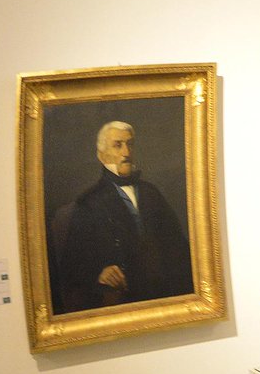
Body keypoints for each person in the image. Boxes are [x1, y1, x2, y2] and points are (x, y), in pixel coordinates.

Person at [52, 121, 193, 313]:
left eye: (130, 144)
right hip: (122, 297)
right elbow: (72, 263)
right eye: (118, 145)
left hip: (162, 293)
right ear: (101, 156)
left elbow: (177, 245)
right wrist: (98, 273)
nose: (126, 152)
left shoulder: (151, 193)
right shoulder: (89, 203)